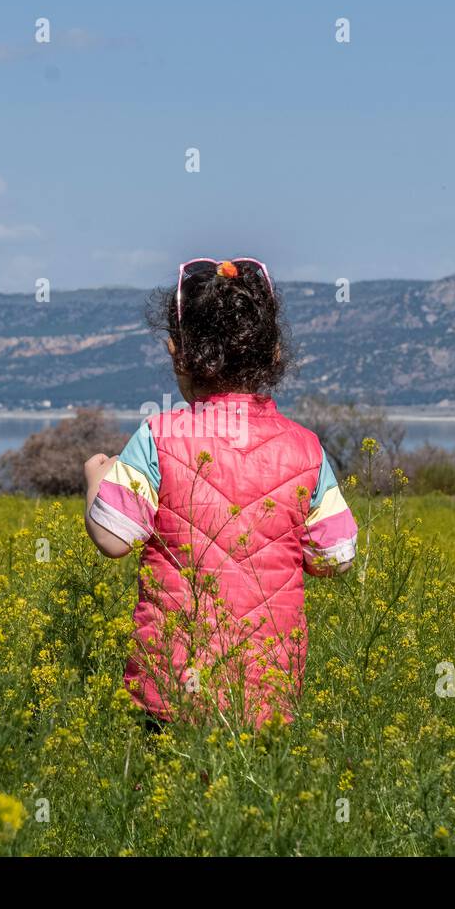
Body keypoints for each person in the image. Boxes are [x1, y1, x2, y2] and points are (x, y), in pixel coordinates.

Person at [83, 258, 358, 728]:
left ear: (177, 352)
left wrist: (96, 476)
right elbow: (336, 556)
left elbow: (113, 539)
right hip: (266, 691)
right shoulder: (305, 447)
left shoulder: (159, 436)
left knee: (163, 796)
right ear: (274, 356)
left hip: (171, 685)